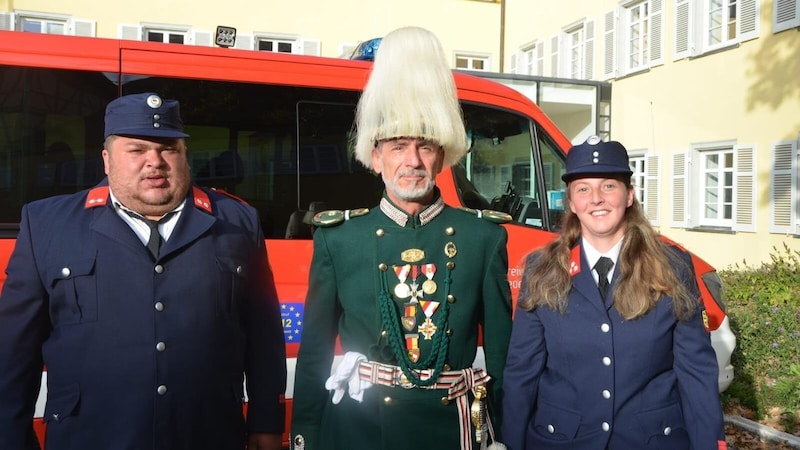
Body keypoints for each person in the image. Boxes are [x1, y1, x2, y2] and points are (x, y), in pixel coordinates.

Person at [0, 92, 286, 450]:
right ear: (107, 159)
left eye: (169, 149)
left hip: (206, 433)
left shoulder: (236, 221)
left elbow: (263, 336)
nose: (155, 161)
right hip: (90, 437)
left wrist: (266, 423)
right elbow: (13, 352)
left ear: (185, 156)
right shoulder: (46, 224)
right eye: (136, 150)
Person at [290, 27, 512, 450]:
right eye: (396, 146)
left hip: (450, 429)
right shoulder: (340, 238)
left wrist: (507, 432)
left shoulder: (483, 238)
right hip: (360, 429)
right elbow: (315, 350)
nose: (412, 161)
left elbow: (502, 359)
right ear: (375, 157)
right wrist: (306, 433)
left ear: (442, 154)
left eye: (425, 147)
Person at [501, 136, 727, 450]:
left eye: (609, 186)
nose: (596, 199)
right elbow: (522, 371)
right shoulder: (542, 268)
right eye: (583, 189)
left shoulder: (672, 267)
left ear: (629, 195)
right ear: (571, 203)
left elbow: (696, 373)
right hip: (562, 440)